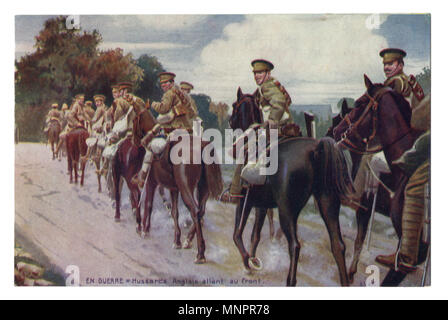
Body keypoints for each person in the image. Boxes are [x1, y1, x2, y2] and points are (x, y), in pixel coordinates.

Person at [227, 59, 294, 200]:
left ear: (268, 73)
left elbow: (279, 103)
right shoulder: (272, 84)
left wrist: (272, 119)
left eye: (260, 72)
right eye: (255, 73)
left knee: (245, 150)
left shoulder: (267, 87)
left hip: (277, 127)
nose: (257, 76)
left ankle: (235, 191)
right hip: (284, 126)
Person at [132, 72, 192, 188]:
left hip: (175, 130)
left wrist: (153, 104)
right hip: (187, 130)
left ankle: (142, 177)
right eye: (162, 84)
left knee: (151, 147)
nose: (163, 86)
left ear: (172, 83)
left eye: (165, 83)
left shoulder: (169, 94)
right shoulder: (183, 95)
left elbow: (163, 109)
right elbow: (192, 112)